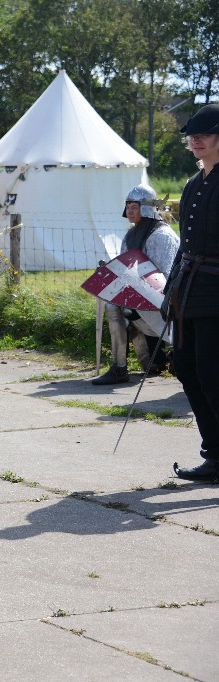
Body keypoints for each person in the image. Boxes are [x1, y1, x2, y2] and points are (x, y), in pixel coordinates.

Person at [169, 103, 219, 483]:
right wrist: (171, 290)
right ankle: (215, 454)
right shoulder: (192, 184)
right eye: (192, 135)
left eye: (203, 133)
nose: (195, 139)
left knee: (212, 373)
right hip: (188, 290)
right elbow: (185, 246)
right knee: (186, 369)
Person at [91, 184, 179, 385]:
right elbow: (126, 268)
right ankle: (119, 368)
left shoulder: (161, 236)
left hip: (165, 305)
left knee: (116, 306)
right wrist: (109, 272)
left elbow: (162, 279)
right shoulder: (131, 235)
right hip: (140, 298)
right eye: (128, 206)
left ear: (147, 208)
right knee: (112, 304)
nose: (129, 211)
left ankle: (165, 357)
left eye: (135, 206)